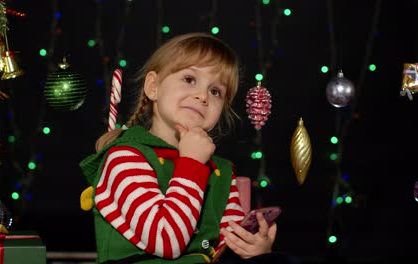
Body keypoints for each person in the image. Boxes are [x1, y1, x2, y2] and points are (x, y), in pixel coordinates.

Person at [79, 32, 296, 264]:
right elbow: (166, 242)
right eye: (189, 79)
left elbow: (224, 249)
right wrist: (191, 164)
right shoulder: (125, 157)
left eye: (216, 92)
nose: (203, 96)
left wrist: (252, 248)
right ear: (153, 87)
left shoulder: (221, 172)